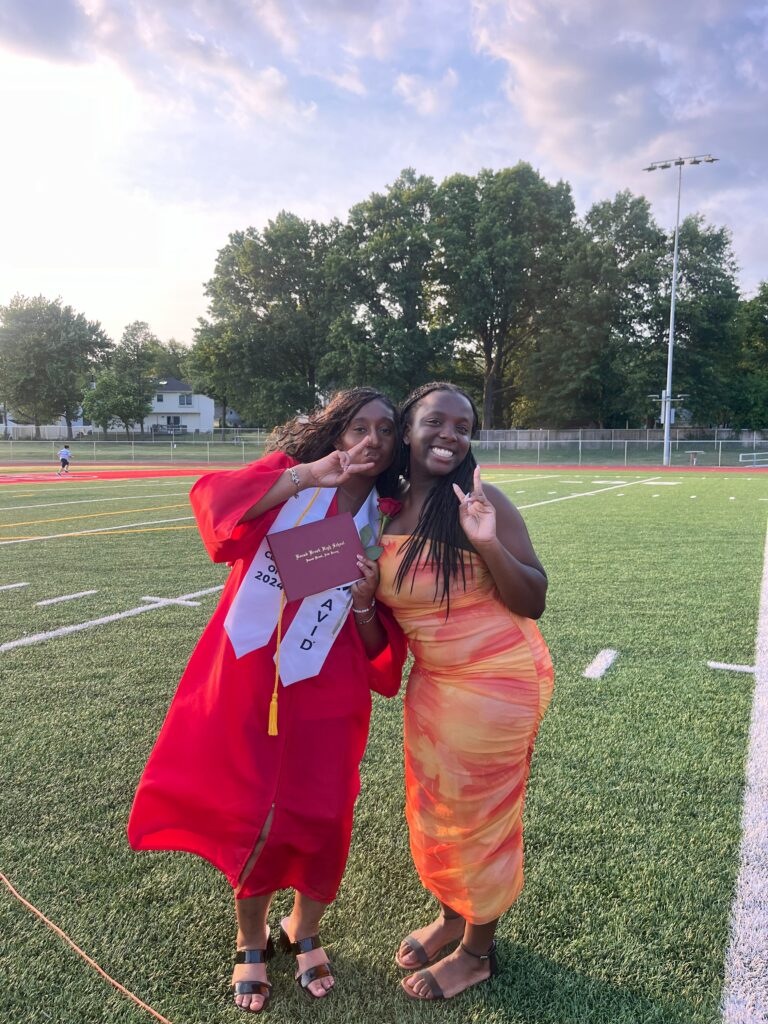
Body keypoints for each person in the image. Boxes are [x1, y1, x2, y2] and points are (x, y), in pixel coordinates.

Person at [128, 388, 407, 1013]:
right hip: (258, 674)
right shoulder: (293, 482)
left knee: (324, 808)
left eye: (385, 430)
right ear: (334, 434)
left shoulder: (395, 514)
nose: (371, 439)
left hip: (331, 680)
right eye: (357, 427)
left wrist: (362, 600)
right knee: (255, 805)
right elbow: (215, 506)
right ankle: (250, 935)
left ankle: (303, 928)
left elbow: (382, 638)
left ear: (397, 444)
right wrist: (306, 475)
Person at [353, 382, 554, 1001]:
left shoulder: (480, 500)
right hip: (434, 685)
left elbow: (533, 599)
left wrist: (486, 539)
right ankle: (450, 915)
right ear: (408, 431)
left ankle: (477, 953)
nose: (450, 435)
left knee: (482, 820)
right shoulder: (384, 507)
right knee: (435, 808)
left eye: (462, 427)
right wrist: (363, 604)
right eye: (436, 422)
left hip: (497, 682)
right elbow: (379, 633)